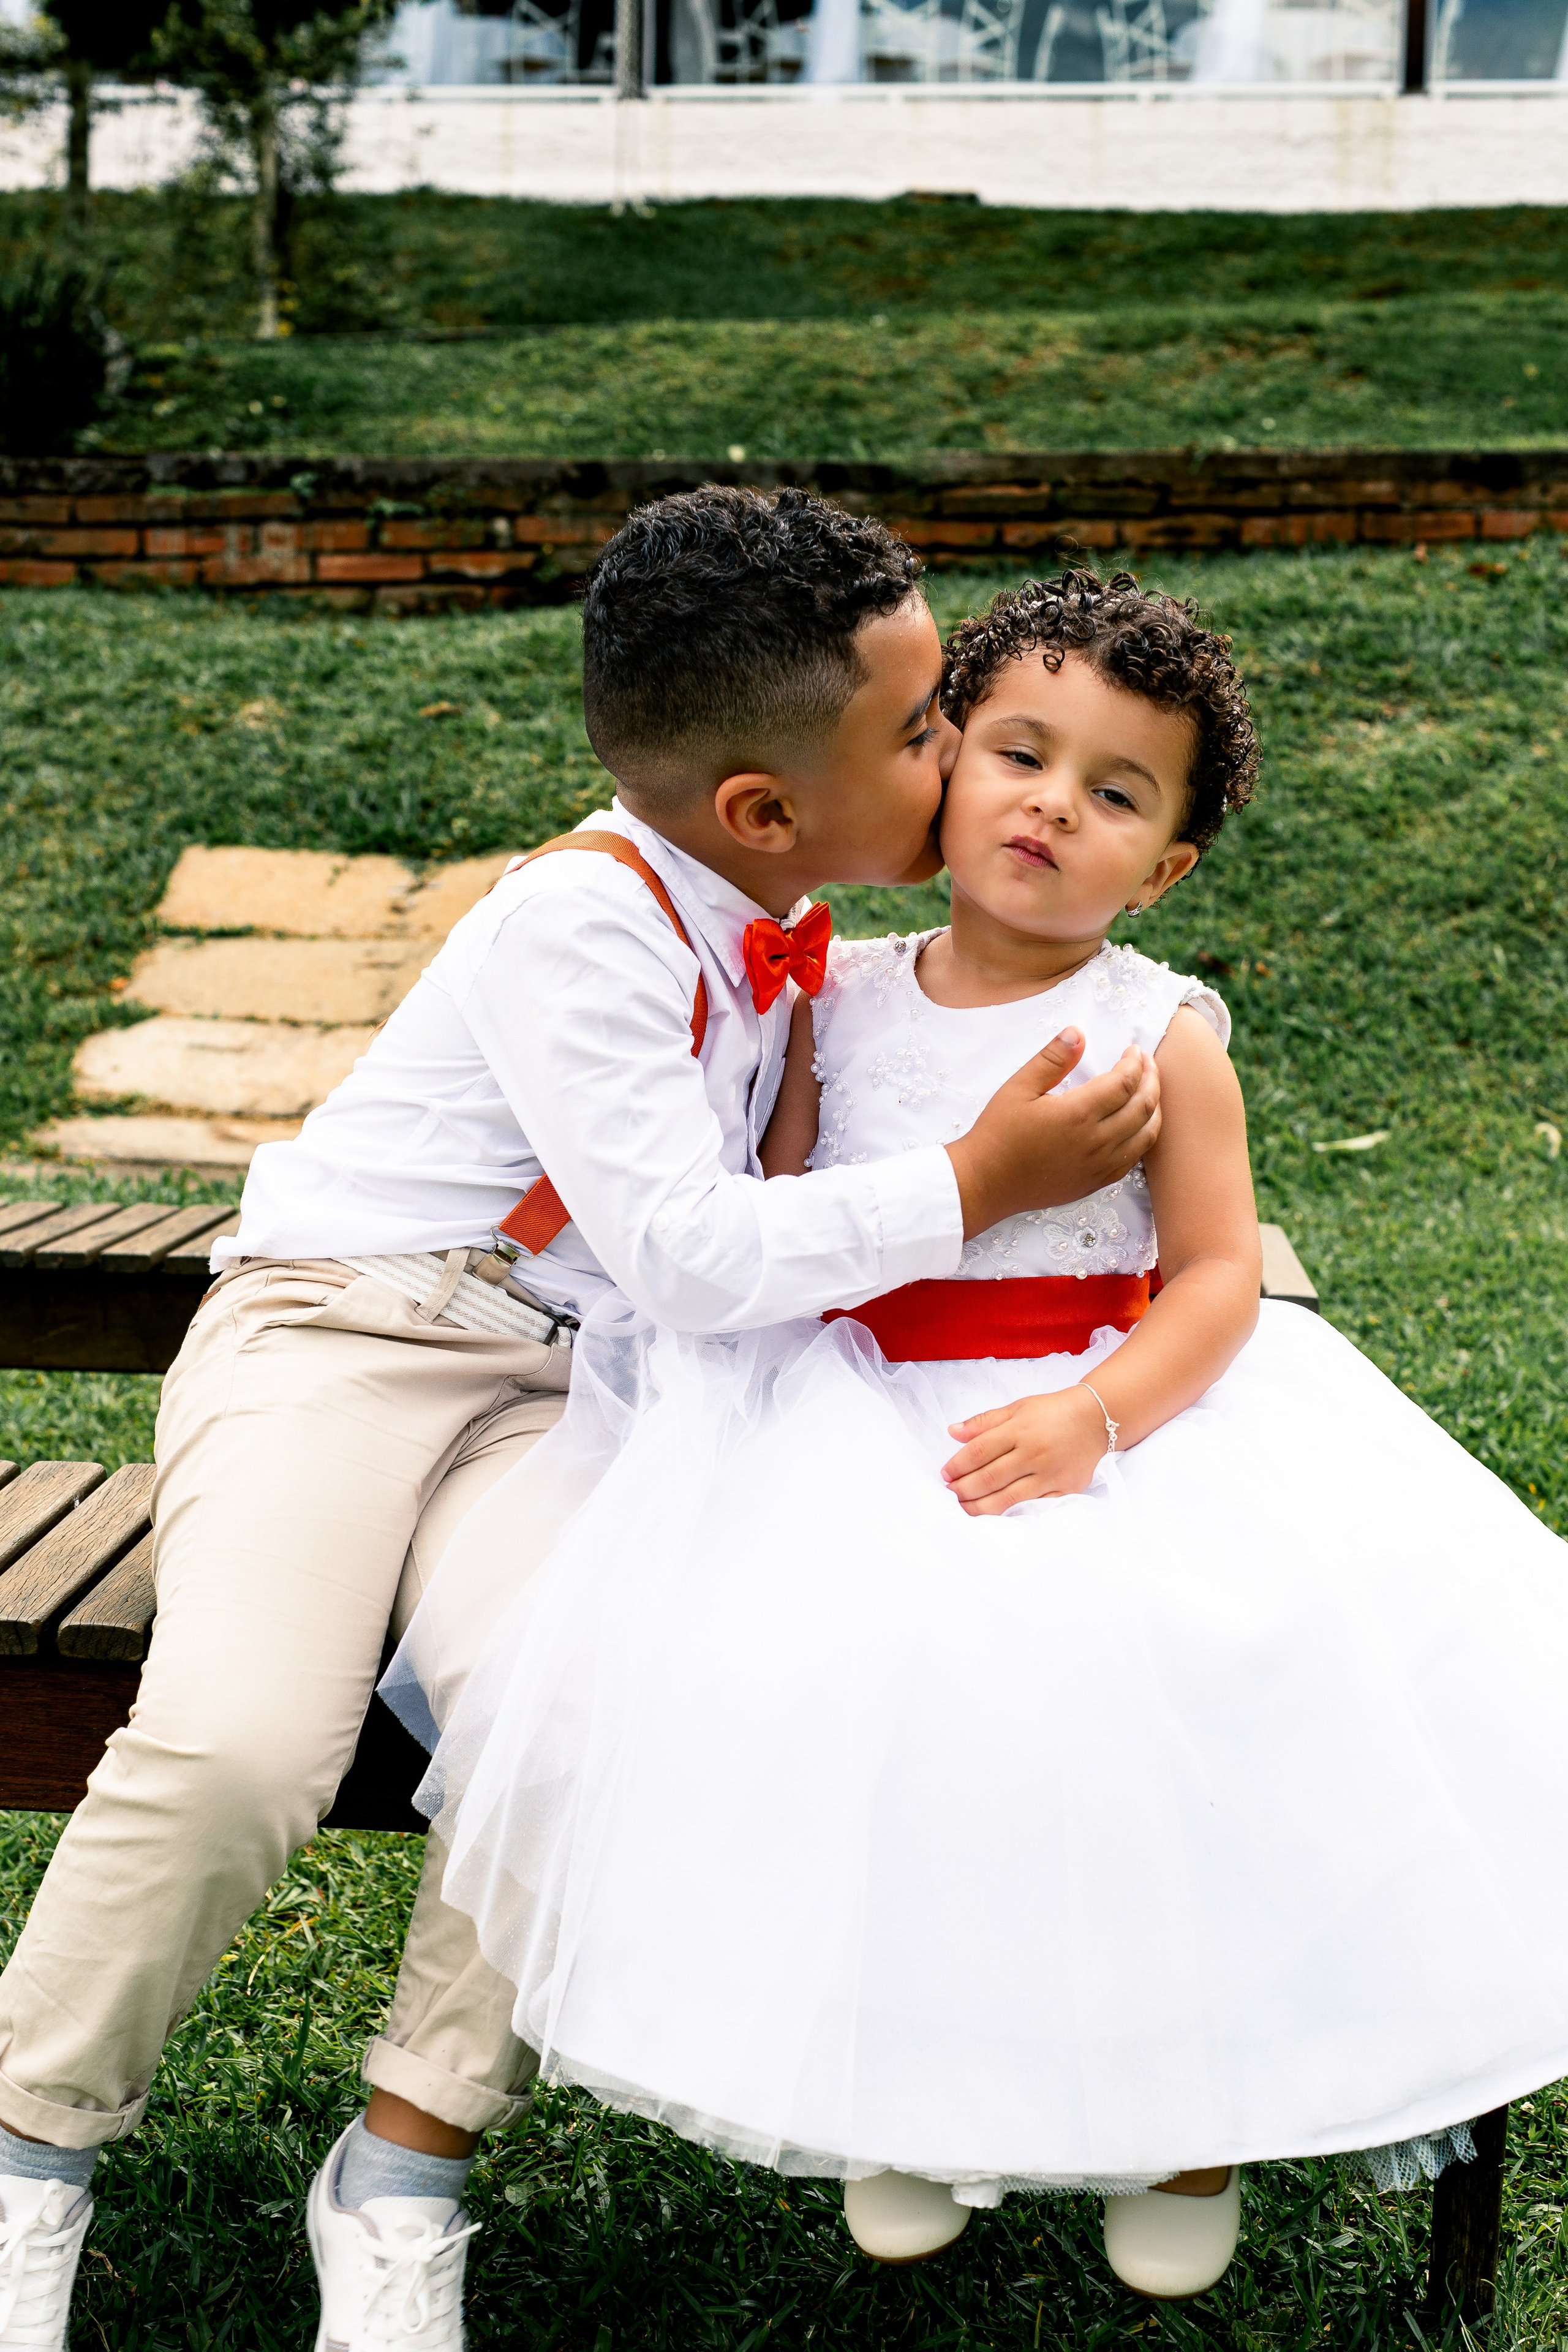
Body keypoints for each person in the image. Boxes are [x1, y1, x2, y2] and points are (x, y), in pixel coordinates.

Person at [0, 498, 1167, 2352]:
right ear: (764, 809)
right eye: (927, 725)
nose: (955, 753)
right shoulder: (581, 921)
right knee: (238, 1745)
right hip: (345, 1341)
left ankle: (402, 2170)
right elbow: (702, 1251)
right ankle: (28, 2150)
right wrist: (970, 1180)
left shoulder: (805, 946)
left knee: (581, 1719)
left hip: (577, 1391)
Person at [386, 566, 1568, 2309]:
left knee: (1175, 1688)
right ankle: (908, 2093)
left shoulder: (1157, 1030)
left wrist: (1102, 1411)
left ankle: (1191, 2120)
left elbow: (1221, 1275)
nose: (1050, 808)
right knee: (871, 1694)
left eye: (1114, 794)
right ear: (942, 774)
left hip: (1102, 1413)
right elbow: (775, 1206)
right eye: (1016, 754)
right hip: (862, 1415)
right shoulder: (833, 996)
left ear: (1162, 866)